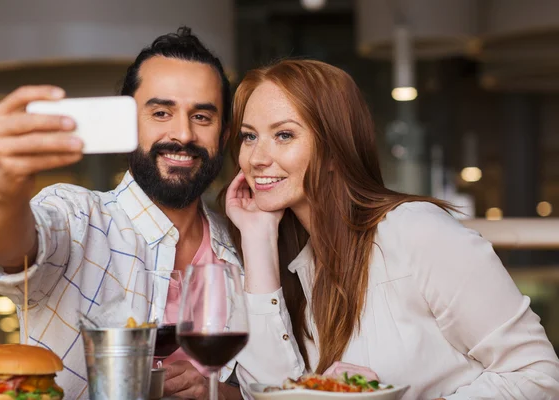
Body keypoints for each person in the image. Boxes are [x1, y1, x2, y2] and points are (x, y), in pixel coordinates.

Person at [224, 59, 559, 399]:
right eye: (249, 136)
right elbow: (270, 393)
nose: (255, 158)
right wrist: (257, 239)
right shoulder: (298, 261)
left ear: (334, 151)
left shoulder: (415, 231)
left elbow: (538, 375)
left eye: (284, 135)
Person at [0, 27, 243, 400]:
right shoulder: (78, 217)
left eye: (202, 117)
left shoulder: (243, 245)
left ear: (224, 135)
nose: (183, 134)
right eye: (161, 112)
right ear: (128, 121)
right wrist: (6, 188)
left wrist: (218, 393)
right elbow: (5, 249)